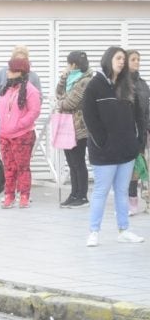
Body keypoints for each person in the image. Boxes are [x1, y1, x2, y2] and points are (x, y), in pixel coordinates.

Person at [82, 46, 145, 247]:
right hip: (104, 151)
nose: (122, 62)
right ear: (109, 59)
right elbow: (90, 118)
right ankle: (94, 231)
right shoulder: (94, 85)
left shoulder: (128, 86)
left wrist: (137, 143)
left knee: (122, 190)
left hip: (126, 150)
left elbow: (138, 117)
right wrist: (102, 142)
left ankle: (124, 229)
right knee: (101, 190)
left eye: (123, 60)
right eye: (118, 58)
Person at [0, 57, 41, 209]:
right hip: (5, 135)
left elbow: (34, 111)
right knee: (8, 167)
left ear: (20, 72)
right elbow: (0, 109)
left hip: (22, 135)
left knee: (22, 166)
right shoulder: (6, 89)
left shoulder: (31, 91)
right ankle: (9, 194)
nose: (7, 72)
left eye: (11, 70)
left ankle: (24, 195)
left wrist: (19, 124)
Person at [54, 51, 94, 208]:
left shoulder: (86, 81)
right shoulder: (70, 78)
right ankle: (74, 193)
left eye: (68, 64)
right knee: (71, 162)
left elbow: (69, 103)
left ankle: (82, 196)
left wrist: (60, 103)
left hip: (79, 127)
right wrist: (63, 77)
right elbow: (58, 94)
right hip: (66, 125)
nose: (67, 67)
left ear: (74, 65)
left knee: (78, 162)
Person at [126, 50, 149, 215]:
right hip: (125, 132)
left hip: (141, 132)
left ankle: (141, 200)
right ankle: (129, 200)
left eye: (138, 59)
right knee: (126, 169)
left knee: (139, 167)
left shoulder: (142, 84)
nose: (137, 62)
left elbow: (147, 110)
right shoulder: (119, 83)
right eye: (133, 59)